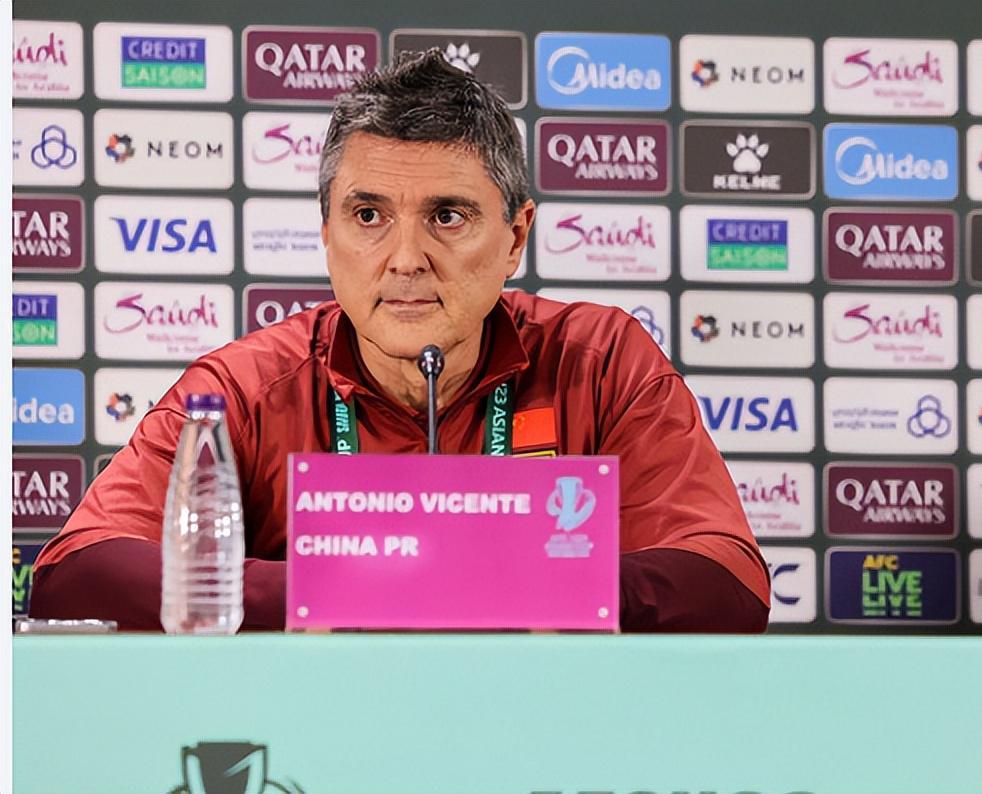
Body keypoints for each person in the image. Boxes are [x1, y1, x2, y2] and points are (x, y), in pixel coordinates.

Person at [30, 50, 770, 632]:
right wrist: (342, 590)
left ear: (515, 237)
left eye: (448, 216)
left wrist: (480, 583)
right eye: (369, 216)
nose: (407, 258)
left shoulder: (601, 362)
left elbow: (723, 583)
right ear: (327, 233)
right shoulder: (245, 389)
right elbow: (78, 575)